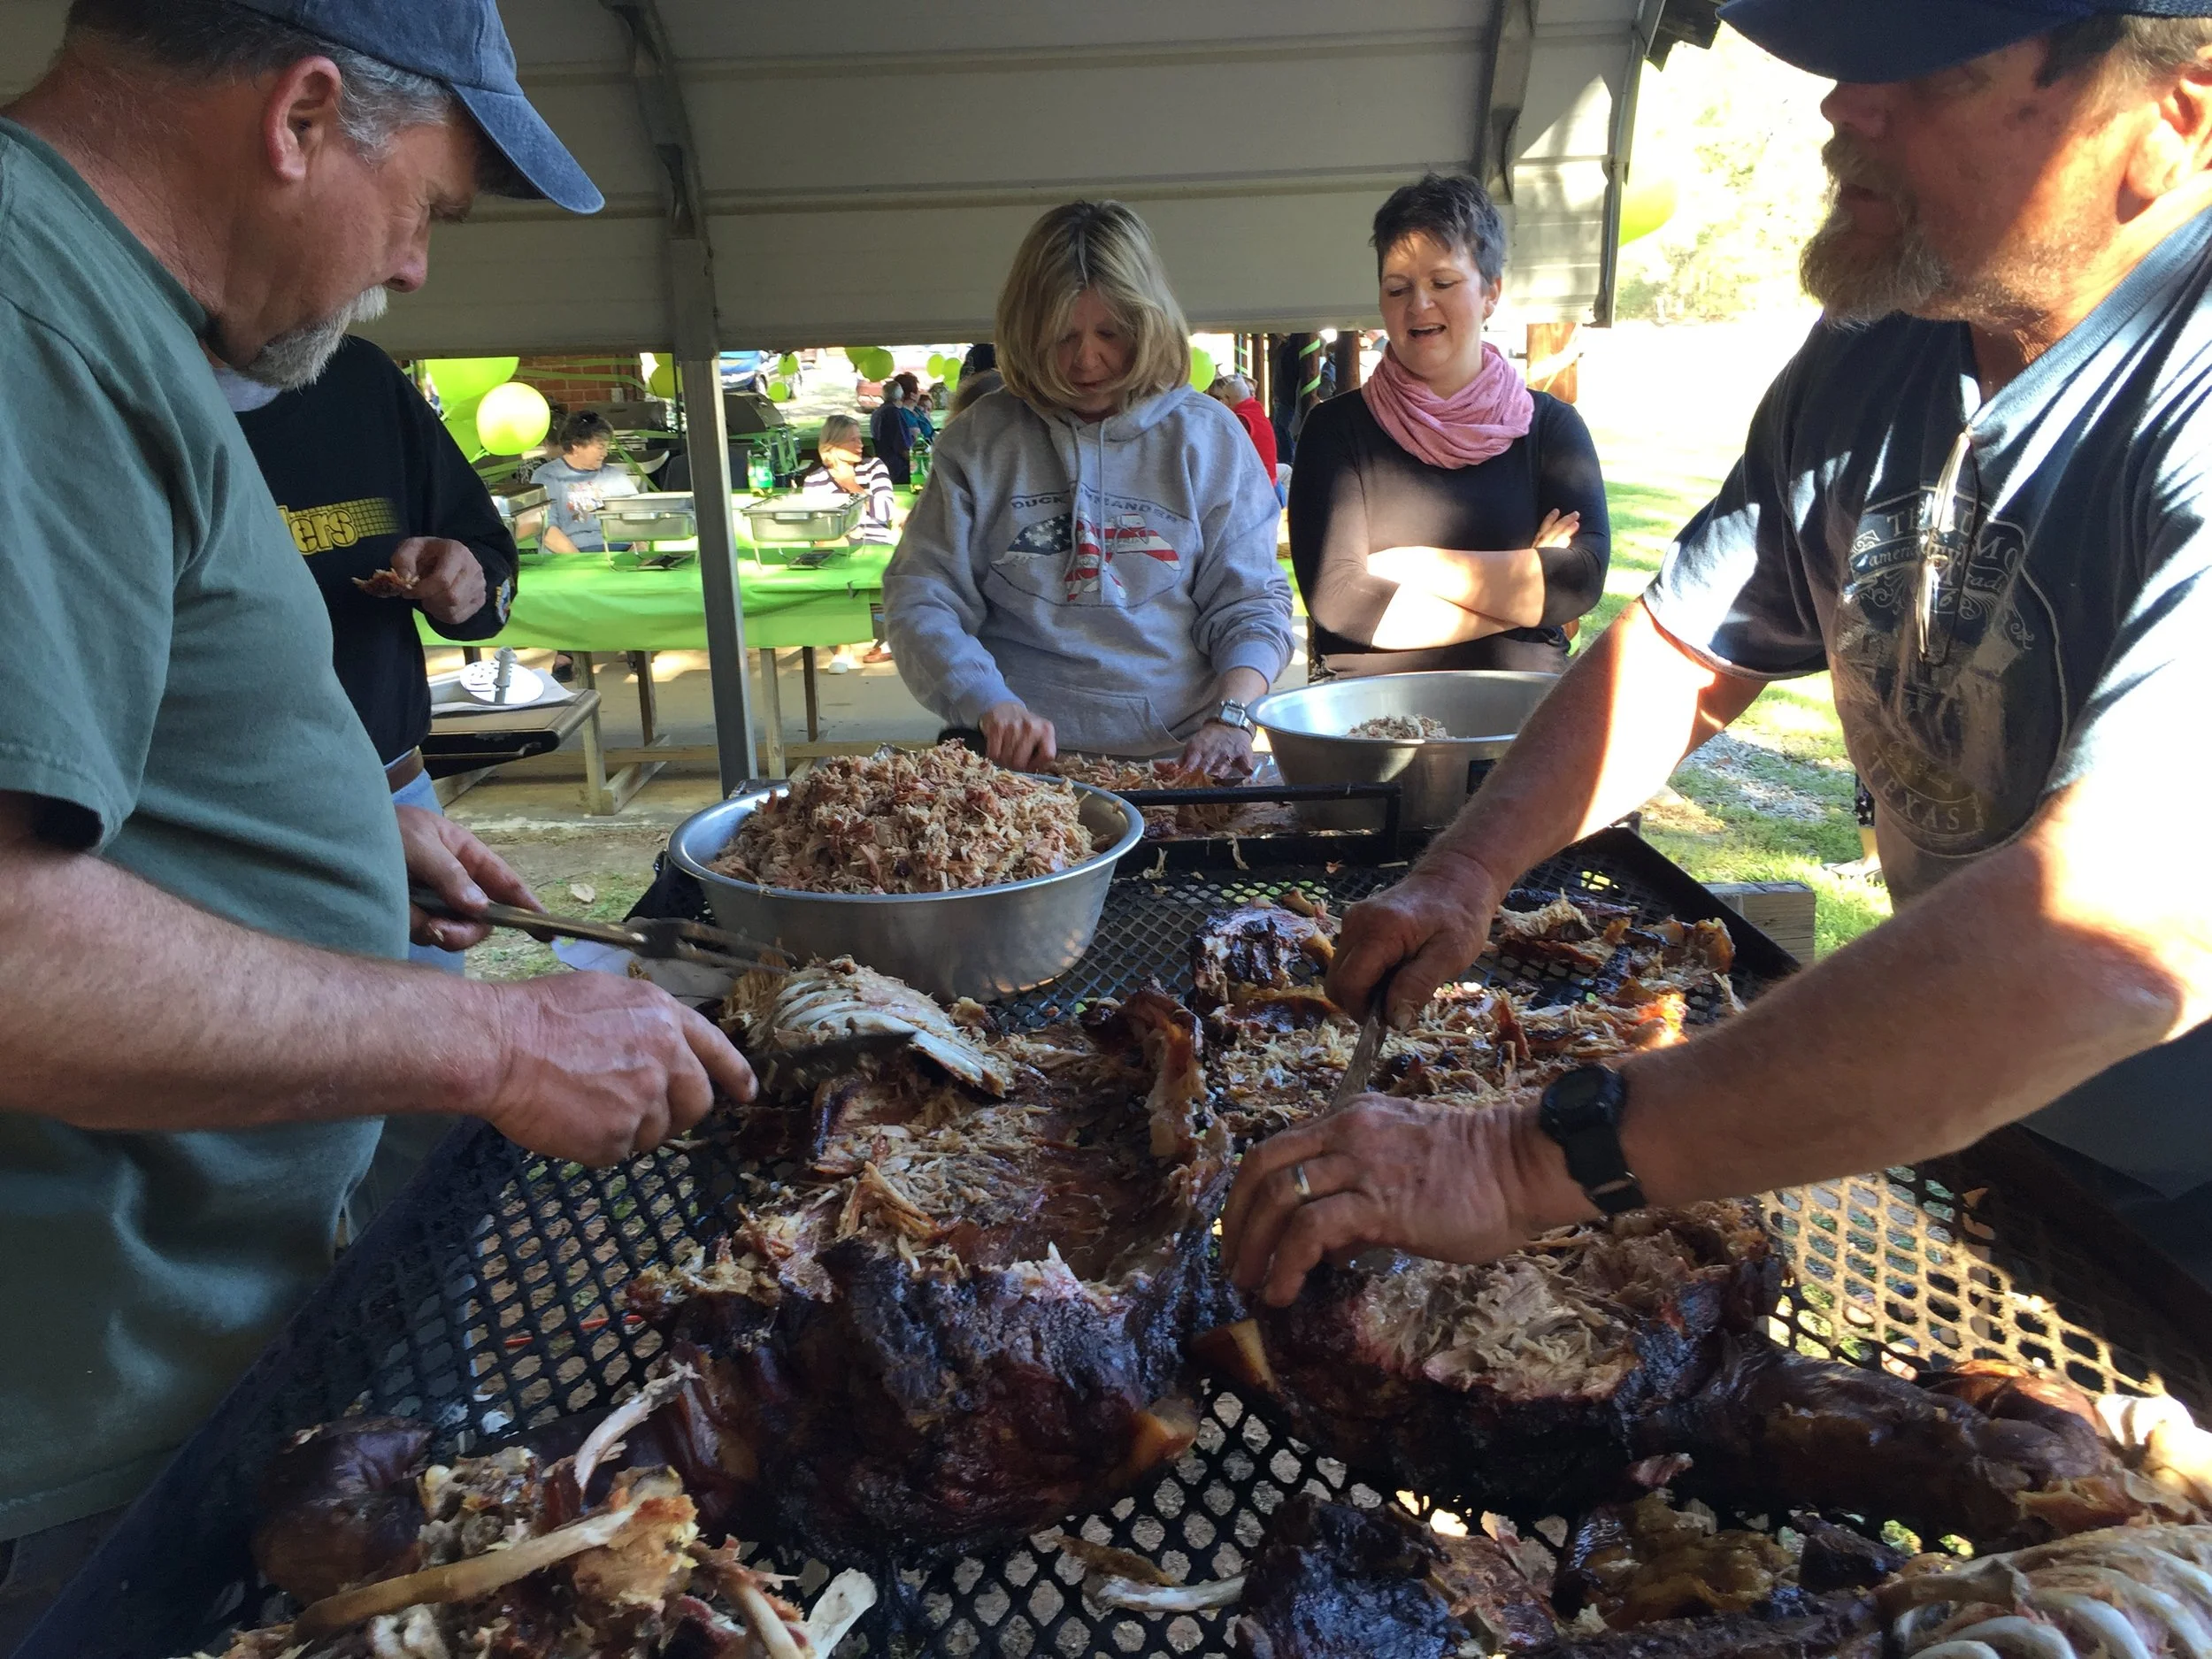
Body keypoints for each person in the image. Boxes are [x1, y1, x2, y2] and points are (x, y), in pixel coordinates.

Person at [1220, 1, 2212, 1313]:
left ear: (2171, 115)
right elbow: (1682, 652)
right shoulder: (1880, 352)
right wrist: (1464, 872)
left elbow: (2115, 926)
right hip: (1973, 1118)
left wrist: (1520, 1155)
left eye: (1937, 69)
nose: (1844, 104)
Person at [0, 0, 752, 1633]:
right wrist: (501, 1049)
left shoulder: (106, 310)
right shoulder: (23, 316)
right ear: (302, 117)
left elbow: (119, 760)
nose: (416, 267)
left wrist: (343, 830)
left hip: (211, 1333)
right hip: (79, 1421)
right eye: (429, 204)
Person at [883, 200, 1293, 772]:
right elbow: (920, 598)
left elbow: (1250, 605)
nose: (1087, 359)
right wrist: (987, 700)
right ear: (1026, 332)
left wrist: (1232, 718)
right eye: (1061, 336)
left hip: (1176, 764)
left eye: (1110, 332)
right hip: (1011, 767)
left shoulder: (1207, 437)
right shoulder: (980, 441)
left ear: (1148, 325)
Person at [219, 334, 519, 979]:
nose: (408, 271)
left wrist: (469, 580)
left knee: (430, 1058)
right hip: (216, 831)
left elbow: (490, 562)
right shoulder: (118, 379)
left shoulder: (360, 377)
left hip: (397, 793)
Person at [1287, 174, 1610, 678]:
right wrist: (1522, 592)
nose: (1418, 305)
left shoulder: (1551, 429)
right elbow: (1340, 601)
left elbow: (1579, 579)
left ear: (1491, 293)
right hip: (1371, 724)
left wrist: (1406, 566)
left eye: (1442, 283)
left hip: (1519, 721)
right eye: (1398, 288)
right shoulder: (1334, 431)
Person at [803, 413, 897, 673]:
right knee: (832, 552)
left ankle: (883, 640)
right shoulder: (815, 480)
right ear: (832, 445)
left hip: (875, 539)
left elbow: (885, 511)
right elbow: (817, 524)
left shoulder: (874, 467)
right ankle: (845, 647)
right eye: (852, 440)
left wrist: (850, 483)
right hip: (837, 543)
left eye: (859, 438)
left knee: (850, 553)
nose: (860, 445)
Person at [533, 409, 636, 555]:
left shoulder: (616, 477)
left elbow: (640, 520)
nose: (605, 453)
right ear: (576, 446)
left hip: (621, 552)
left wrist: (638, 551)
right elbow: (546, 529)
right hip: (571, 556)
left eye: (607, 447)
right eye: (600, 447)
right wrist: (580, 562)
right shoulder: (547, 477)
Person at [1208, 372, 1279, 479]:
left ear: (1229, 400)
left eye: (1222, 399)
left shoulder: (1242, 419)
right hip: (1268, 473)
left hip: (1259, 479)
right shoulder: (1256, 410)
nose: (1221, 402)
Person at [871, 376, 914, 487]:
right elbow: (903, 448)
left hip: (883, 464)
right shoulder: (894, 413)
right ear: (901, 395)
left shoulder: (877, 412)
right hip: (897, 468)